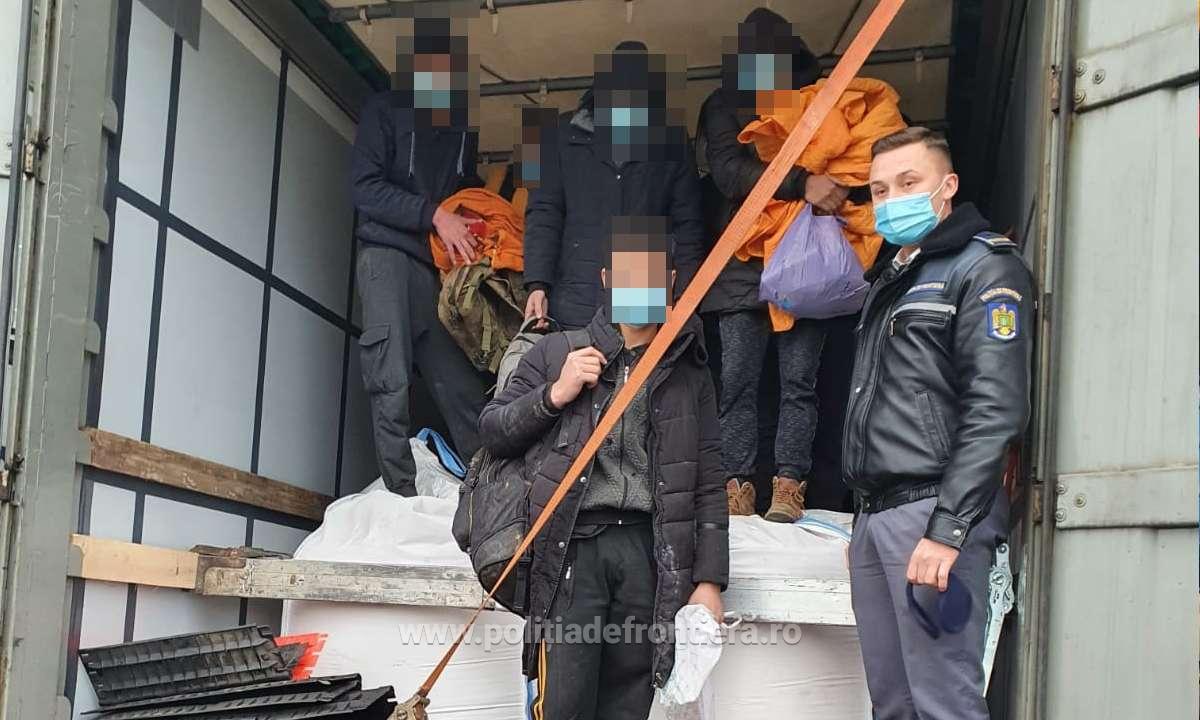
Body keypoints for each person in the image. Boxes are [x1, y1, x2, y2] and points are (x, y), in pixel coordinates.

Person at [478, 218, 728, 720]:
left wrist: (709, 581)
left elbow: (707, 480)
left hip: (648, 553)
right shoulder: (557, 351)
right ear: (607, 279)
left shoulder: (688, 371)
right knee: (563, 705)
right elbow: (492, 430)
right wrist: (554, 394)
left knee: (629, 705)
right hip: (573, 548)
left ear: (671, 282)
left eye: (652, 274)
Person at [845, 127, 1033, 720]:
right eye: (879, 190)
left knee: (943, 702)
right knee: (893, 703)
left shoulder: (984, 268)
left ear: (947, 186)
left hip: (933, 511)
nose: (891, 200)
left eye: (908, 183)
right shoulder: (892, 276)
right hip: (877, 516)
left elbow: (995, 409)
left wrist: (948, 529)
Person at [699, 7, 861, 522]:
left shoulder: (818, 99)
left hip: (804, 257)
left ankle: (789, 488)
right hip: (742, 261)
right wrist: (802, 183)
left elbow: (847, 165)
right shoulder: (724, 103)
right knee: (738, 383)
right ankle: (736, 487)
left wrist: (818, 183)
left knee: (799, 383)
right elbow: (728, 172)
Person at [349, 18, 490, 495]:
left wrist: (476, 218)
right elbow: (364, 189)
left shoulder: (460, 128)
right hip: (385, 256)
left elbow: (463, 190)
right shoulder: (384, 109)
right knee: (389, 378)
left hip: (435, 269)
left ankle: (489, 494)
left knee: (462, 384)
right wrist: (434, 215)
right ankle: (400, 496)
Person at [522, 41, 705, 330]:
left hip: (643, 295)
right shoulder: (556, 134)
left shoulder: (673, 139)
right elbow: (543, 212)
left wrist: (684, 294)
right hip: (574, 292)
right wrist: (537, 283)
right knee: (574, 358)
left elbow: (689, 225)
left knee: (640, 361)